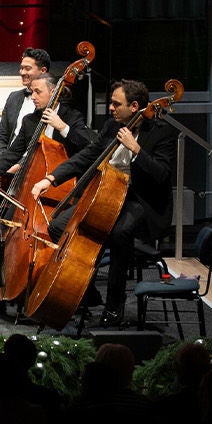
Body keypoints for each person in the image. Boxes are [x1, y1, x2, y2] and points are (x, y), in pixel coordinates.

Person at [31, 78, 177, 325]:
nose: (110, 108)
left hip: (140, 201)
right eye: (111, 103)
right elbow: (88, 155)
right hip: (105, 194)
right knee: (57, 227)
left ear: (134, 107)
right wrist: (51, 178)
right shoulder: (112, 126)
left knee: (119, 234)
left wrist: (136, 149)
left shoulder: (162, 133)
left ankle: (113, 307)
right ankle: (85, 293)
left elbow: (162, 175)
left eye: (115, 104)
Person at [0, 72, 93, 183]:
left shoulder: (72, 116)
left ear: (53, 92)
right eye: (32, 92)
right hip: (33, 181)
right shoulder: (29, 120)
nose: (33, 97)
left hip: (64, 181)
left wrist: (62, 127)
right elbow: (12, 154)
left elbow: (86, 145)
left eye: (38, 92)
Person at [0, 48, 54, 159]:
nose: (22, 72)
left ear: (43, 71)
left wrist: (19, 165)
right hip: (6, 161)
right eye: (21, 68)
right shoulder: (13, 98)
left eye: (27, 68)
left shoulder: (52, 101)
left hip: (30, 164)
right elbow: (2, 136)